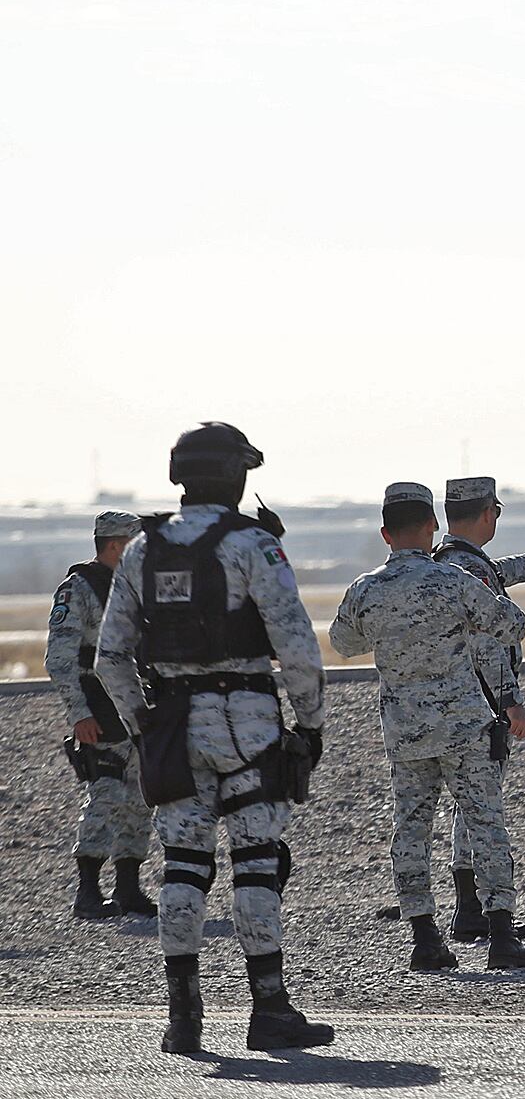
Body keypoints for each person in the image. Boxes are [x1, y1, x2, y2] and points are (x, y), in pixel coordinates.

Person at [94, 423, 331, 1054]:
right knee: (254, 857)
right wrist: (309, 722)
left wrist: (143, 723)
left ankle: (184, 1017)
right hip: (246, 718)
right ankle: (270, 1009)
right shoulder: (252, 543)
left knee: (184, 862)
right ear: (238, 476)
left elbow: (109, 657)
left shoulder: (142, 549)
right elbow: (296, 646)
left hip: (171, 723)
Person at [330, 483, 525, 973]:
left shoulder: (365, 589)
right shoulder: (452, 581)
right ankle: (501, 936)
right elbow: (513, 624)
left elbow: (343, 643)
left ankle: (425, 938)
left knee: (411, 829)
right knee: (485, 823)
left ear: (384, 534)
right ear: (431, 529)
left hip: (405, 732)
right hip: (463, 725)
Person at [431, 476, 525, 943]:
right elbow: (488, 644)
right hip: (479, 703)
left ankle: (470, 909)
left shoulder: (458, 560)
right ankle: (479, 911)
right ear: (488, 513)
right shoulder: (466, 569)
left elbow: (499, 572)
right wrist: (511, 703)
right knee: (478, 807)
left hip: (465, 703)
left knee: (467, 807)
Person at [47, 510, 156, 921]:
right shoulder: (79, 589)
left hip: (137, 705)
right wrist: (79, 714)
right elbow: (59, 659)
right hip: (100, 708)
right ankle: (88, 891)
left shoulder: (134, 586)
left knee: (142, 797)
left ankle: (128, 888)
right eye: (134, 542)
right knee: (106, 796)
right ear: (114, 545)